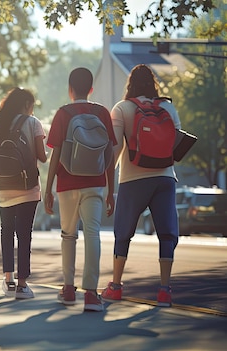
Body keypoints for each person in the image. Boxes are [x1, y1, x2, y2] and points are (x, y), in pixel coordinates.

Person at [101, 64, 181, 307]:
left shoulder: (122, 108)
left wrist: (108, 187)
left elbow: (114, 151)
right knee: (167, 233)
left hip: (133, 178)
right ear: (153, 83)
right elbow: (176, 144)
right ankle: (165, 290)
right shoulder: (168, 106)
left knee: (123, 233)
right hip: (165, 177)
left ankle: (115, 286)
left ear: (130, 83)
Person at [44, 67, 116, 312]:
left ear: (70, 89)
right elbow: (110, 154)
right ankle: (92, 294)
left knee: (68, 235)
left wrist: (48, 189)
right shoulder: (102, 113)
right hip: (95, 183)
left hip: (66, 184)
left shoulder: (63, 114)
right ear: (92, 89)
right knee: (93, 234)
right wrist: (111, 191)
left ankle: (67, 289)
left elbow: (54, 154)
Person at [0, 88, 47, 299]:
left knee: (6, 231)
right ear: (26, 105)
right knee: (24, 235)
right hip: (27, 188)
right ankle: (22, 285)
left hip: (3, 187)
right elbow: (42, 156)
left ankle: (8, 280)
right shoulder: (33, 123)